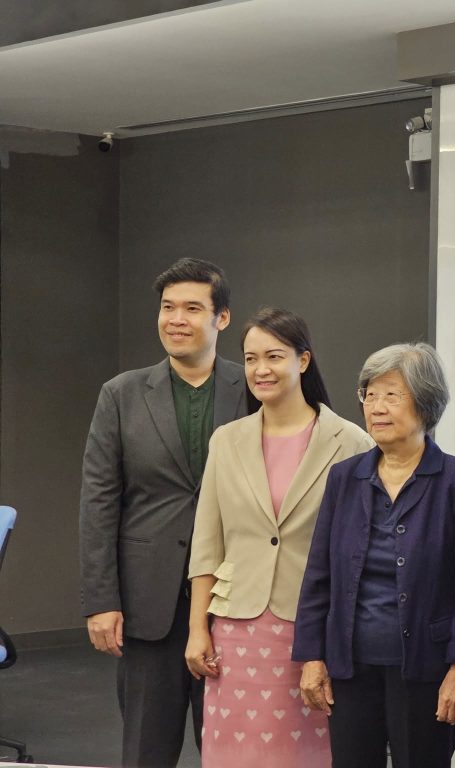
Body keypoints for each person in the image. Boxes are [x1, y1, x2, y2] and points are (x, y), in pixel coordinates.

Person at [185, 307, 373, 766]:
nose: (260, 370)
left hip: (312, 632)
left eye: (274, 356)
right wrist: (197, 629)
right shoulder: (226, 440)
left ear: (303, 360)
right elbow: (207, 543)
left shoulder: (351, 442)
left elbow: (358, 554)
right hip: (235, 628)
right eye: (251, 359)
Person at [79, 258, 248, 767]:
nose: (176, 319)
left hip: (236, 599)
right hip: (148, 603)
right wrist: (101, 599)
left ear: (221, 318)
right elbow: (98, 501)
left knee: (233, 749)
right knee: (146, 750)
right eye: (168, 307)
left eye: (192, 308)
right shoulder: (121, 394)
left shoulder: (254, 389)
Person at [292, 343, 455, 768]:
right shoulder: (345, 478)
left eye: (392, 395)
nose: (376, 407)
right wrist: (312, 656)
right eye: (370, 394)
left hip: (426, 670)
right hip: (350, 667)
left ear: (426, 402)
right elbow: (319, 574)